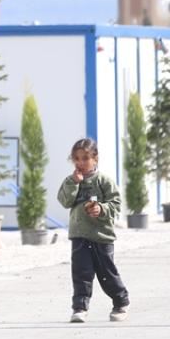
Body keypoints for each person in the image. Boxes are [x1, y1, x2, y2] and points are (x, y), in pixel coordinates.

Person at [56, 137, 130, 323]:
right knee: (81, 273)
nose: (80, 163)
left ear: (95, 158)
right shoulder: (70, 181)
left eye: (85, 158)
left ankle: (121, 302)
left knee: (106, 273)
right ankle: (80, 308)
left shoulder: (104, 181)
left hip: (101, 236)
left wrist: (101, 209)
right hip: (79, 236)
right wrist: (74, 183)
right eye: (76, 159)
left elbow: (116, 204)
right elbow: (65, 201)